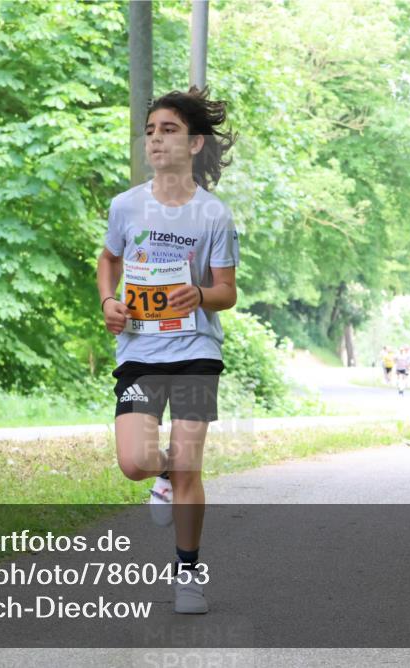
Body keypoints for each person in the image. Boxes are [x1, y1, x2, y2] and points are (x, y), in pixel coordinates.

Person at [97, 87, 238, 613]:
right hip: (138, 351)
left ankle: (188, 576)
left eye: (169, 129)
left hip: (197, 349)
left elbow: (227, 291)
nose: (156, 138)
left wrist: (199, 294)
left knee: (191, 463)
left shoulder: (213, 216)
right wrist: (109, 301)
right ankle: (161, 477)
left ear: (196, 142)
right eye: (151, 130)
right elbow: (108, 260)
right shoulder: (125, 205)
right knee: (135, 461)